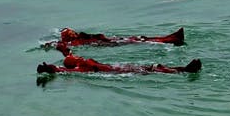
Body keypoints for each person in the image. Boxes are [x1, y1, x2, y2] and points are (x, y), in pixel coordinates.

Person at [36, 43, 202, 74]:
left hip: (118, 68)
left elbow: (68, 57)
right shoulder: (81, 67)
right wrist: (49, 68)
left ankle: (183, 69)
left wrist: (61, 48)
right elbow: (63, 69)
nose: (78, 57)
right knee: (152, 70)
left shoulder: (78, 62)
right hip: (118, 72)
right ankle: (184, 71)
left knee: (153, 67)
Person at [46, 27, 184, 48]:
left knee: (137, 40)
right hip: (109, 41)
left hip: (108, 43)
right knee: (138, 39)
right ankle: (170, 39)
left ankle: (170, 39)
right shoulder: (80, 38)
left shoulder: (75, 43)